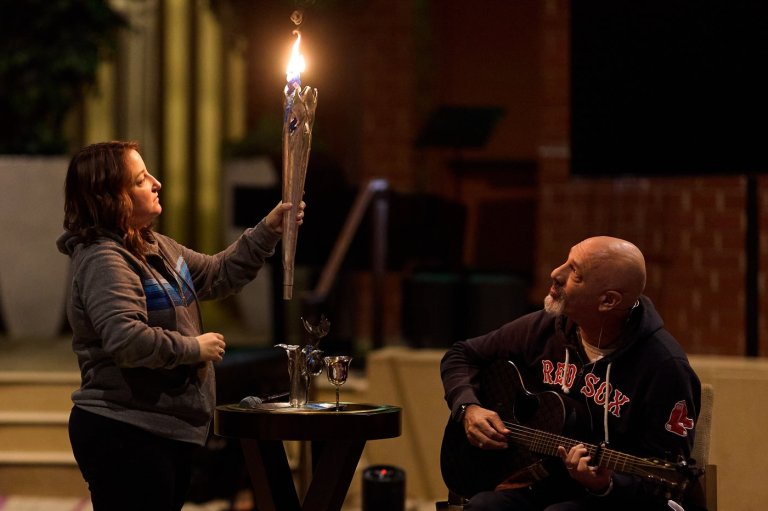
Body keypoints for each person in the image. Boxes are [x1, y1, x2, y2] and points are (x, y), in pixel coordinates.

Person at [57, 141, 305, 511]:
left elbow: (219, 273)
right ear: (113, 197)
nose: (157, 183)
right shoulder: (104, 260)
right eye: (141, 180)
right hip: (127, 430)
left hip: (161, 430)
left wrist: (269, 228)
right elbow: (126, 339)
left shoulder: (156, 247)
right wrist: (194, 348)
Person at [441, 236, 703, 511]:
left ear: (608, 300)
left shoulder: (665, 367)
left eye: (574, 272)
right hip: (545, 481)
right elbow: (462, 354)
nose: (556, 273)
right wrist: (468, 408)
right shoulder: (547, 326)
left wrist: (605, 484)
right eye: (565, 261)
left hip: (616, 500)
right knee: (483, 508)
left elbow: (665, 483)